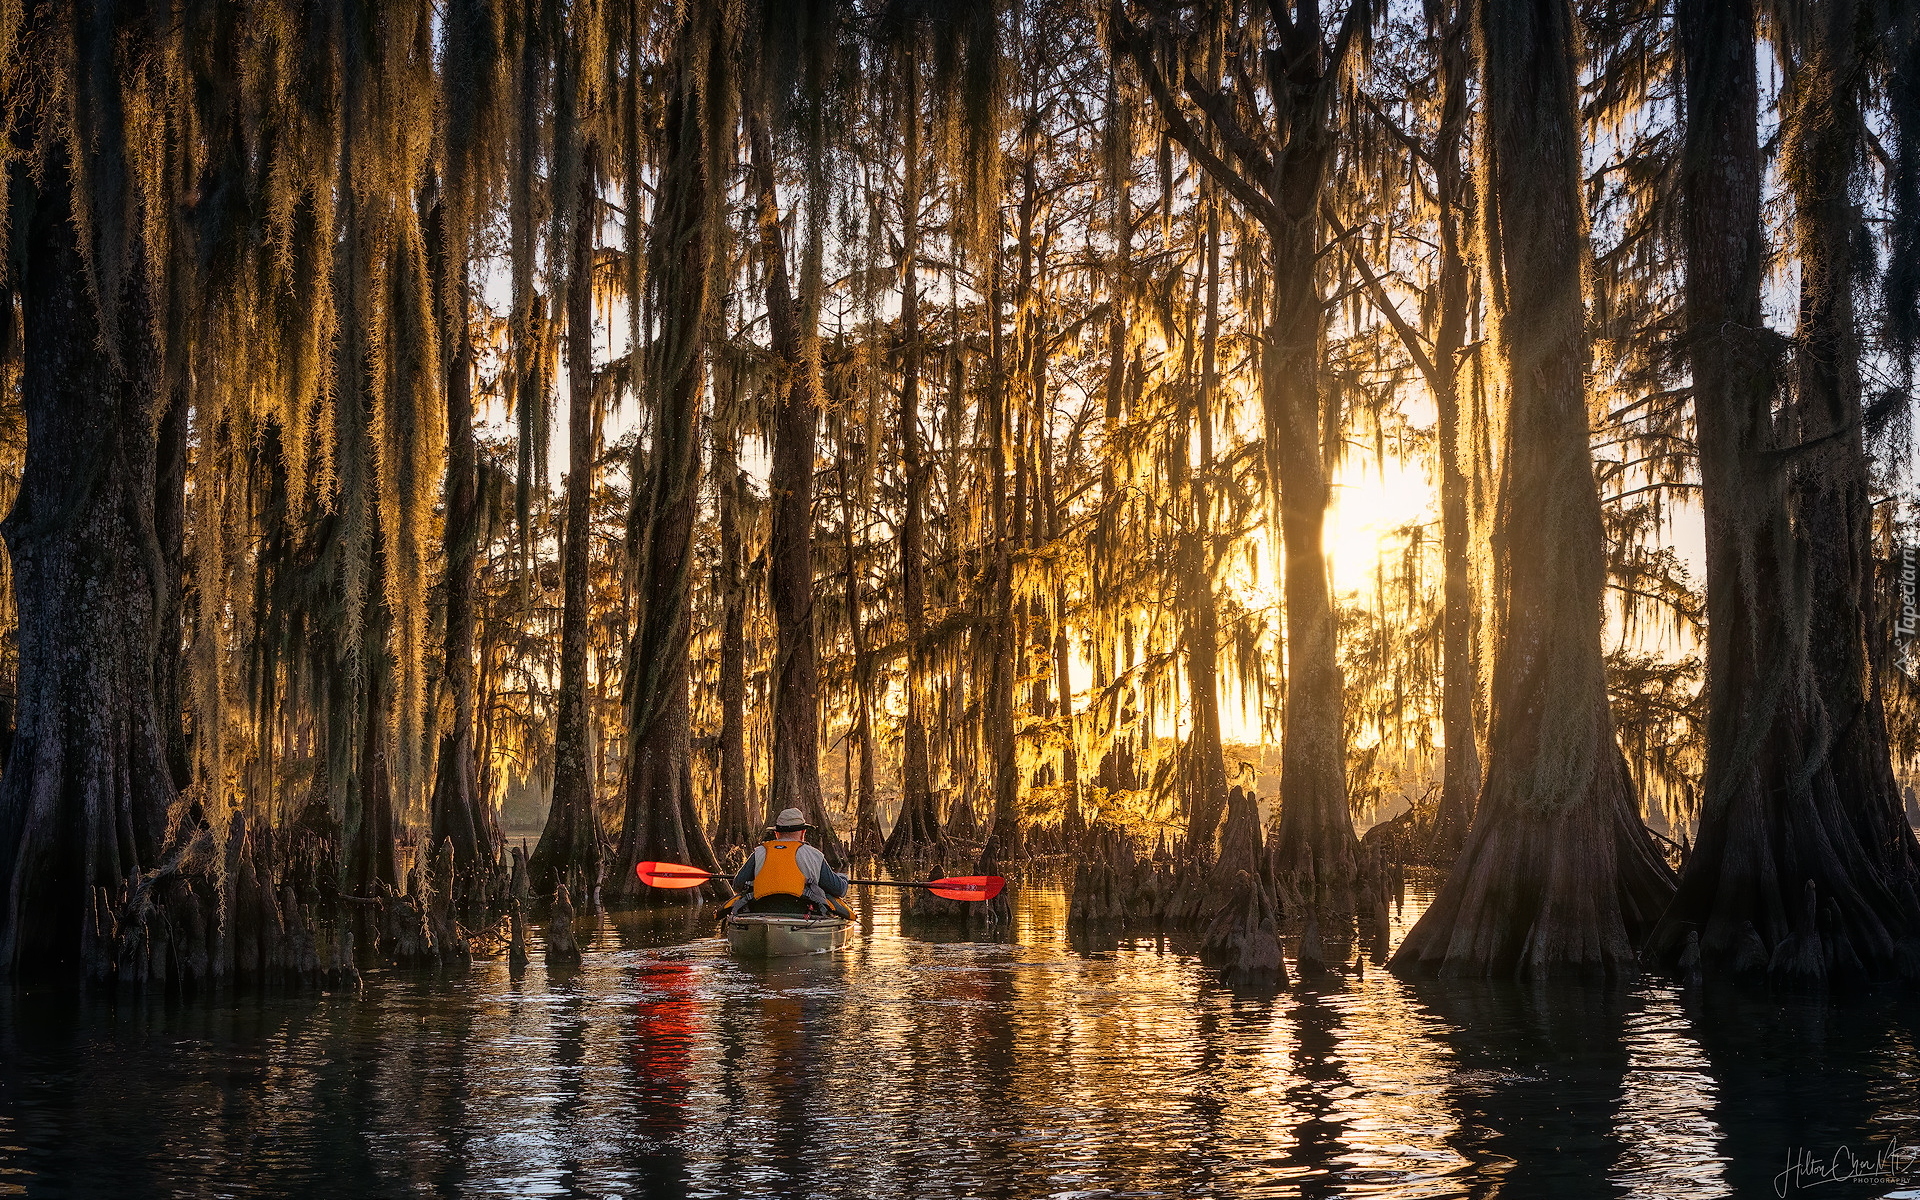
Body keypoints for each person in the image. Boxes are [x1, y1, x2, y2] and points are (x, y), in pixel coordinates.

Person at [729, 808, 851, 915]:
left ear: (776, 833)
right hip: (803, 913)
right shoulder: (814, 855)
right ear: (803, 832)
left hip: (761, 911)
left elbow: (738, 885)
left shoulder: (759, 852)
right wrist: (843, 878)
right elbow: (838, 890)